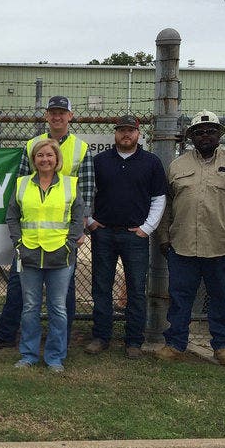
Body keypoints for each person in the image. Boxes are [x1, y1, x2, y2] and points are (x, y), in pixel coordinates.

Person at [0, 95, 94, 348]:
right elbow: (20, 184)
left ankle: (61, 338)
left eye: (62, 112)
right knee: (18, 286)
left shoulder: (81, 148)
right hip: (30, 236)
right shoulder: (32, 144)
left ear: (70, 117)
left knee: (64, 292)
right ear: (46, 116)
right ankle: (7, 333)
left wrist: (81, 227)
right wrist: (18, 237)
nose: (57, 117)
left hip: (62, 236)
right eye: (53, 112)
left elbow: (86, 189)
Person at [155, 111, 225, 364]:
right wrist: (163, 235)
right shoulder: (177, 166)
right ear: (191, 137)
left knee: (221, 297)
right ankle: (175, 343)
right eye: (199, 132)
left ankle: (222, 346)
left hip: (222, 245)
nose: (205, 136)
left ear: (219, 135)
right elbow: (167, 204)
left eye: (210, 131)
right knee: (180, 297)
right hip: (182, 245)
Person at [86, 115, 167, 359]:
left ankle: (133, 341)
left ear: (138, 133)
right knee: (101, 287)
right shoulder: (99, 161)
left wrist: (147, 228)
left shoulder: (151, 162)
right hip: (104, 233)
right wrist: (90, 222)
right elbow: (85, 192)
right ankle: (101, 336)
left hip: (135, 236)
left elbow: (159, 198)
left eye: (130, 130)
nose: (126, 134)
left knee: (135, 289)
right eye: (121, 130)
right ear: (115, 133)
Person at [5, 138, 86, 372]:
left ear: (57, 159)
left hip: (60, 256)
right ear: (34, 160)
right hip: (29, 254)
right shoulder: (22, 184)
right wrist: (18, 242)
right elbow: (12, 216)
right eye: (40, 156)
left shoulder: (70, 184)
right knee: (30, 307)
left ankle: (55, 358)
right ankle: (28, 355)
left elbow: (77, 217)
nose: (45, 159)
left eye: (49, 155)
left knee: (58, 308)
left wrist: (70, 245)